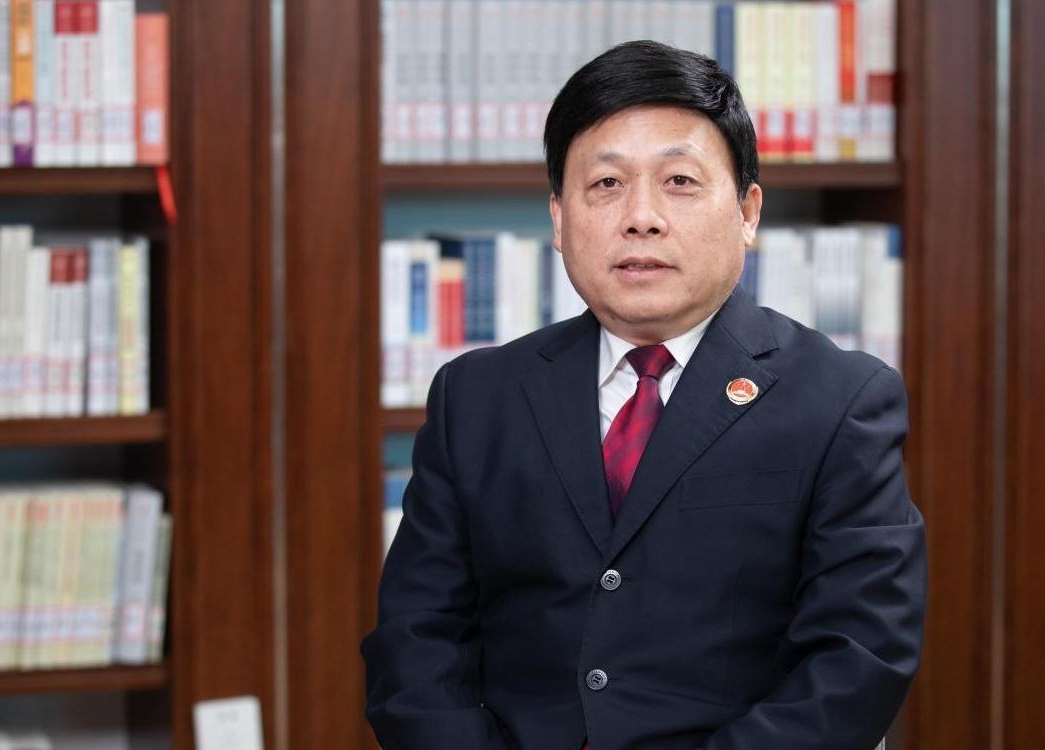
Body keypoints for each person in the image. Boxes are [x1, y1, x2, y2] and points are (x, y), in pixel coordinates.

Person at [361, 40, 926, 750]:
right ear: (559, 219)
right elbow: (416, 642)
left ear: (748, 212)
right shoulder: (476, 398)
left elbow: (857, 659)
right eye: (606, 184)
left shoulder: (840, 401)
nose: (642, 217)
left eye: (680, 181)